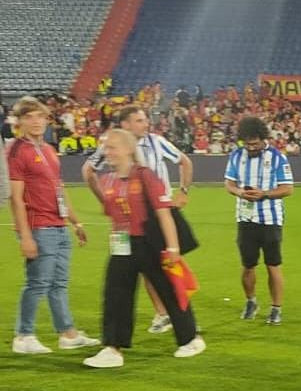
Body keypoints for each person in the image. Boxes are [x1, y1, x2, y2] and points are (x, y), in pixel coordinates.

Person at [80, 129, 205, 368]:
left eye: (112, 147)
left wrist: (172, 248)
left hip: (150, 242)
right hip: (122, 244)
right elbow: (115, 216)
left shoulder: (145, 176)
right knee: (115, 294)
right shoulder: (108, 180)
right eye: (105, 147)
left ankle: (190, 339)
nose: (107, 152)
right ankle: (112, 348)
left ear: (128, 149)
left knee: (169, 290)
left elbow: (164, 214)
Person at [85, 105, 196, 334]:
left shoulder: (156, 142)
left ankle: (183, 324)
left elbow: (184, 161)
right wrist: (108, 201)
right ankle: (164, 315)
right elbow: (88, 171)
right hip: (129, 222)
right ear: (125, 124)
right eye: (139, 120)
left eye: (144, 120)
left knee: (166, 269)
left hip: (159, 215)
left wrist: (183, 191)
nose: (145, 124)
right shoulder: (111, 144)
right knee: (143, 270)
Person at [7, 97, 100, 354]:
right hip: (38, 226)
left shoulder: (48, 149)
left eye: (40, 116)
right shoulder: (16, 150)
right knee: (37, 283)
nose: (36, 122)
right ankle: (23, 335)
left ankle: (67, 334)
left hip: (57, 225)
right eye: (29, 117)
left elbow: (58, 188)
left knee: (59, 283)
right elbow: (15, 197)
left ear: (47, 120)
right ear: (20, 121)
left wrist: (75, 220)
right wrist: (25, 236)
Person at [223, 116, 293, 325]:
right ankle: (251, 301)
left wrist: (264, 194)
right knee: (248, 266)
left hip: (270, 219)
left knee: (273, 265)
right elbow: (229, 183)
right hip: (245, 218)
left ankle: (276, 308)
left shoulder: (278, 157)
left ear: (263, 139)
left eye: (255, 143)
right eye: (247, 143)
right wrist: (239, 192)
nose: (251, 147)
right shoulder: (237, 156)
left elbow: (288, 189)